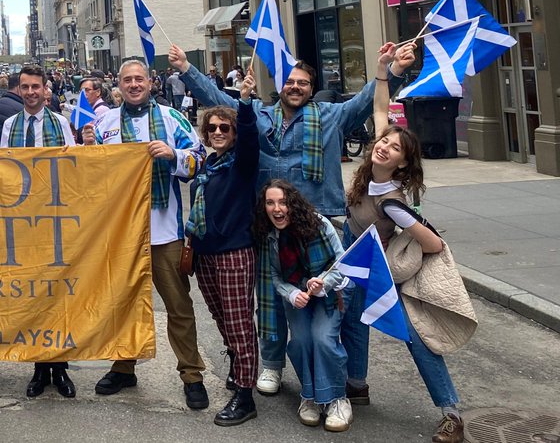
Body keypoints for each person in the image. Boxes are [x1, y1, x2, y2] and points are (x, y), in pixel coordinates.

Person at [170, 41, 406, 395]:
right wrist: (187, 68)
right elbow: (219, 99)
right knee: (272, 298)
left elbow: (367, 101)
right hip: (270, 225)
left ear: (311, 89)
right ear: (280, 86)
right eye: (290, 82)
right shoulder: (261, 117)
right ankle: (272, 365)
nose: (295, 87)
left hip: (317, 225)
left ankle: (340, 373)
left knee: (328, 300)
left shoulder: (332, 116)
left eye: (303, 83)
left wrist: (391, 69)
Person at [341, 58, 465, 443]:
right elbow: (381, 109)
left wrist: (402, 251)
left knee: (414, 335)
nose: (385, 147)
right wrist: (383, 71)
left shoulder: (392, 202)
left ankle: (451, 413)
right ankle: (356, 385)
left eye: (395, 149)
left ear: (402, 164)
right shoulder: (371, 167)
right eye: (384, 141)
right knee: (353, 320)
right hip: (356, 253)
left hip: (380, 264)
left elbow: (434, 243)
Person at [82, 59, 209, 411]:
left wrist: (174, 155)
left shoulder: (171, 118)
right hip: (121, 233)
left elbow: (201, 159)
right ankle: (124, 367)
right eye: (127, 80)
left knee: (179, 306)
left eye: (139, 79)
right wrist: (89, 149)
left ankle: (192, 375)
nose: (134, 85)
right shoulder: (105, 122)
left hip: (164, 231)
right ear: (118, 85)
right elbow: (92, 176)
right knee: (122, 304)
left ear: (150, 83)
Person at [0, 64, 77, 398]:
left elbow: (75, 168)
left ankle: (60, 368)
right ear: (19, 89)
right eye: (25, 87)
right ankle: (39, 368)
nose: (30, 92)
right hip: (23, 222)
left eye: (36, 87)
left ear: (46, 90)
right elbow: (1, 170)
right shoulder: (10, 126)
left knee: (57, 295)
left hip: (55, 221)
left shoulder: (61, 124)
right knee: (32, 295)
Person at [185, 70, 261, 427]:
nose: (218, 132)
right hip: (205, 255)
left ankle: (245, 396)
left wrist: (243, 104)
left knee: (239, 322)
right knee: (220, 317)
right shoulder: (207, 165)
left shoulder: (241, 164)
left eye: (224, 128)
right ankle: (238, 366)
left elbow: (248, 136)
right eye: (212, 128)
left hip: (233, 253)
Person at [255, 180, 351, 432]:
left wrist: (324, 283)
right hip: (298, 294)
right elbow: (276, 277)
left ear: (293, 204)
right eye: (270, 203)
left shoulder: (319, 224)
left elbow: (342, 263)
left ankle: (337, 399)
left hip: (330, 294)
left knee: (323, 339)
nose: (277, 209)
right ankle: (310, 396)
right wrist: (292, 294)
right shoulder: (270, 235)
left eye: (283, 202)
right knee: (301, 341)